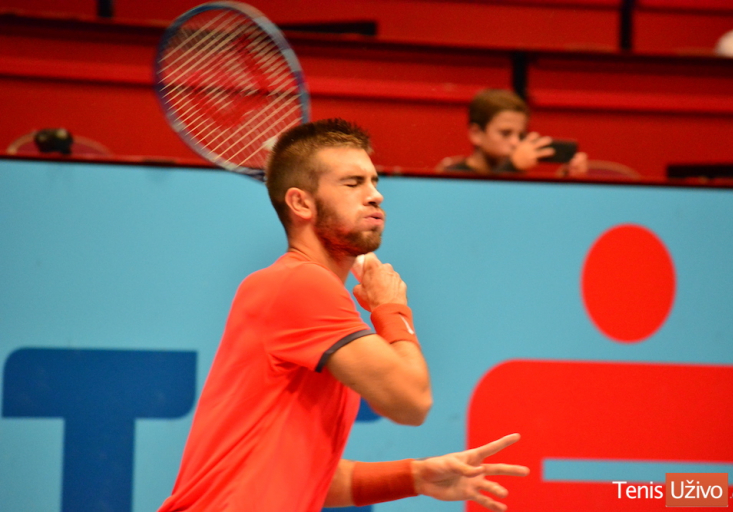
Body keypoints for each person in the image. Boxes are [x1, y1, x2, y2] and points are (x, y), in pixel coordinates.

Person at [157, 118, 529, 512]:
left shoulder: (304, 291)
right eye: (353, 183)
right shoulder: (299, 284)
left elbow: (308, 473)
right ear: (301, 203)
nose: (375, 195)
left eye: (374, 181)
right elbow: (411, 400)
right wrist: (390, 308)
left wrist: (415, 476)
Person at [437, 88, 588, 176]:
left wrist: (564, 181)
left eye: (520, 135)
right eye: (505, 133)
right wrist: (512, 167)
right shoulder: (453, 176)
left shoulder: (518, 176)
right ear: (476, 134)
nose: (515, 142)